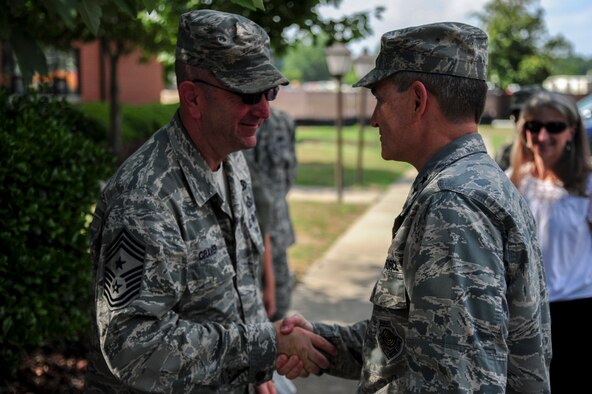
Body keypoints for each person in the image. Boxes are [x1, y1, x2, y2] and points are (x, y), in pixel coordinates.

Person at [280, 22, 551, 393]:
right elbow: (420, 334)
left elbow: (461, 382)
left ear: (418, 99)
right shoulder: (474, 181)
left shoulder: (452, 204)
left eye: (380, 99)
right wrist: (322, 342)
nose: (374, 117)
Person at [84, 9, 336, 393]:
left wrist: (259, 370)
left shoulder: (232, 161)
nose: (265, 110)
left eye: (270, 91)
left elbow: (242, 288)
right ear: (193, 98)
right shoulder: (144, 199)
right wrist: (263, 346)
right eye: (248, 93)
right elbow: (132, 347)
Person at [507, 91, 592, 393]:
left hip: (576, 316)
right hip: (522, 316)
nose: (542, 135)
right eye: (534, 126)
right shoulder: (511, 183)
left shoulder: (587, 187)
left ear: (571, 131)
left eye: (554, 127)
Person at [244, 107, 297, 322]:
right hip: (250, 236)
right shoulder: (240, 123)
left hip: (277, 230)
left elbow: (290, 172)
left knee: (281, 305)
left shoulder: (283, 122)